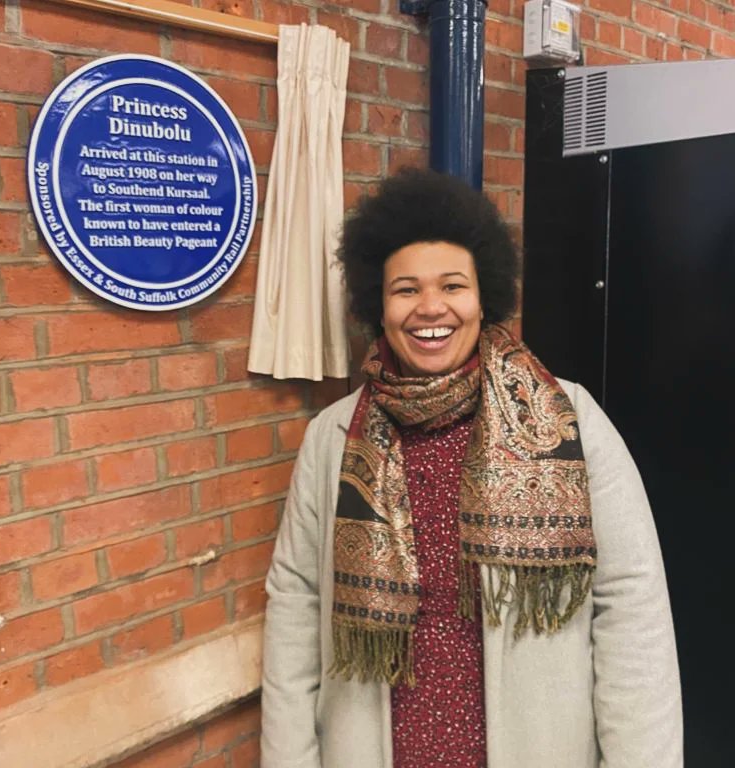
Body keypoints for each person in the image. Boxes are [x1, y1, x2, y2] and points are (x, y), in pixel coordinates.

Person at [260, 168, 682, 768]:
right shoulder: (330, 442)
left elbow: (632, 606)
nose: (431, 308)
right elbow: (295, 607)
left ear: (484, 298)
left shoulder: (570, 422)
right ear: (377, 307)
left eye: (453, 285)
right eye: (405, 289)